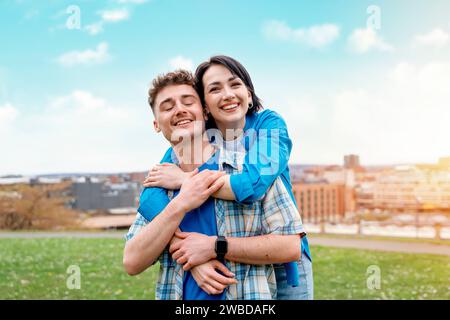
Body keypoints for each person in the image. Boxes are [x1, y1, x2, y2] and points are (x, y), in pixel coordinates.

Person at [143, 56, 314, 300]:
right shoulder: (199, 138)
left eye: (235, 84)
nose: (227, 95)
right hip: (226, 253)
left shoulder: (268, 124)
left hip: (281, 255)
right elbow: (151, 194)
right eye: (214, 89)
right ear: (205, 103)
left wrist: (186, 181)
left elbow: (252, 185)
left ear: (250, 93)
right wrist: (186, 250)